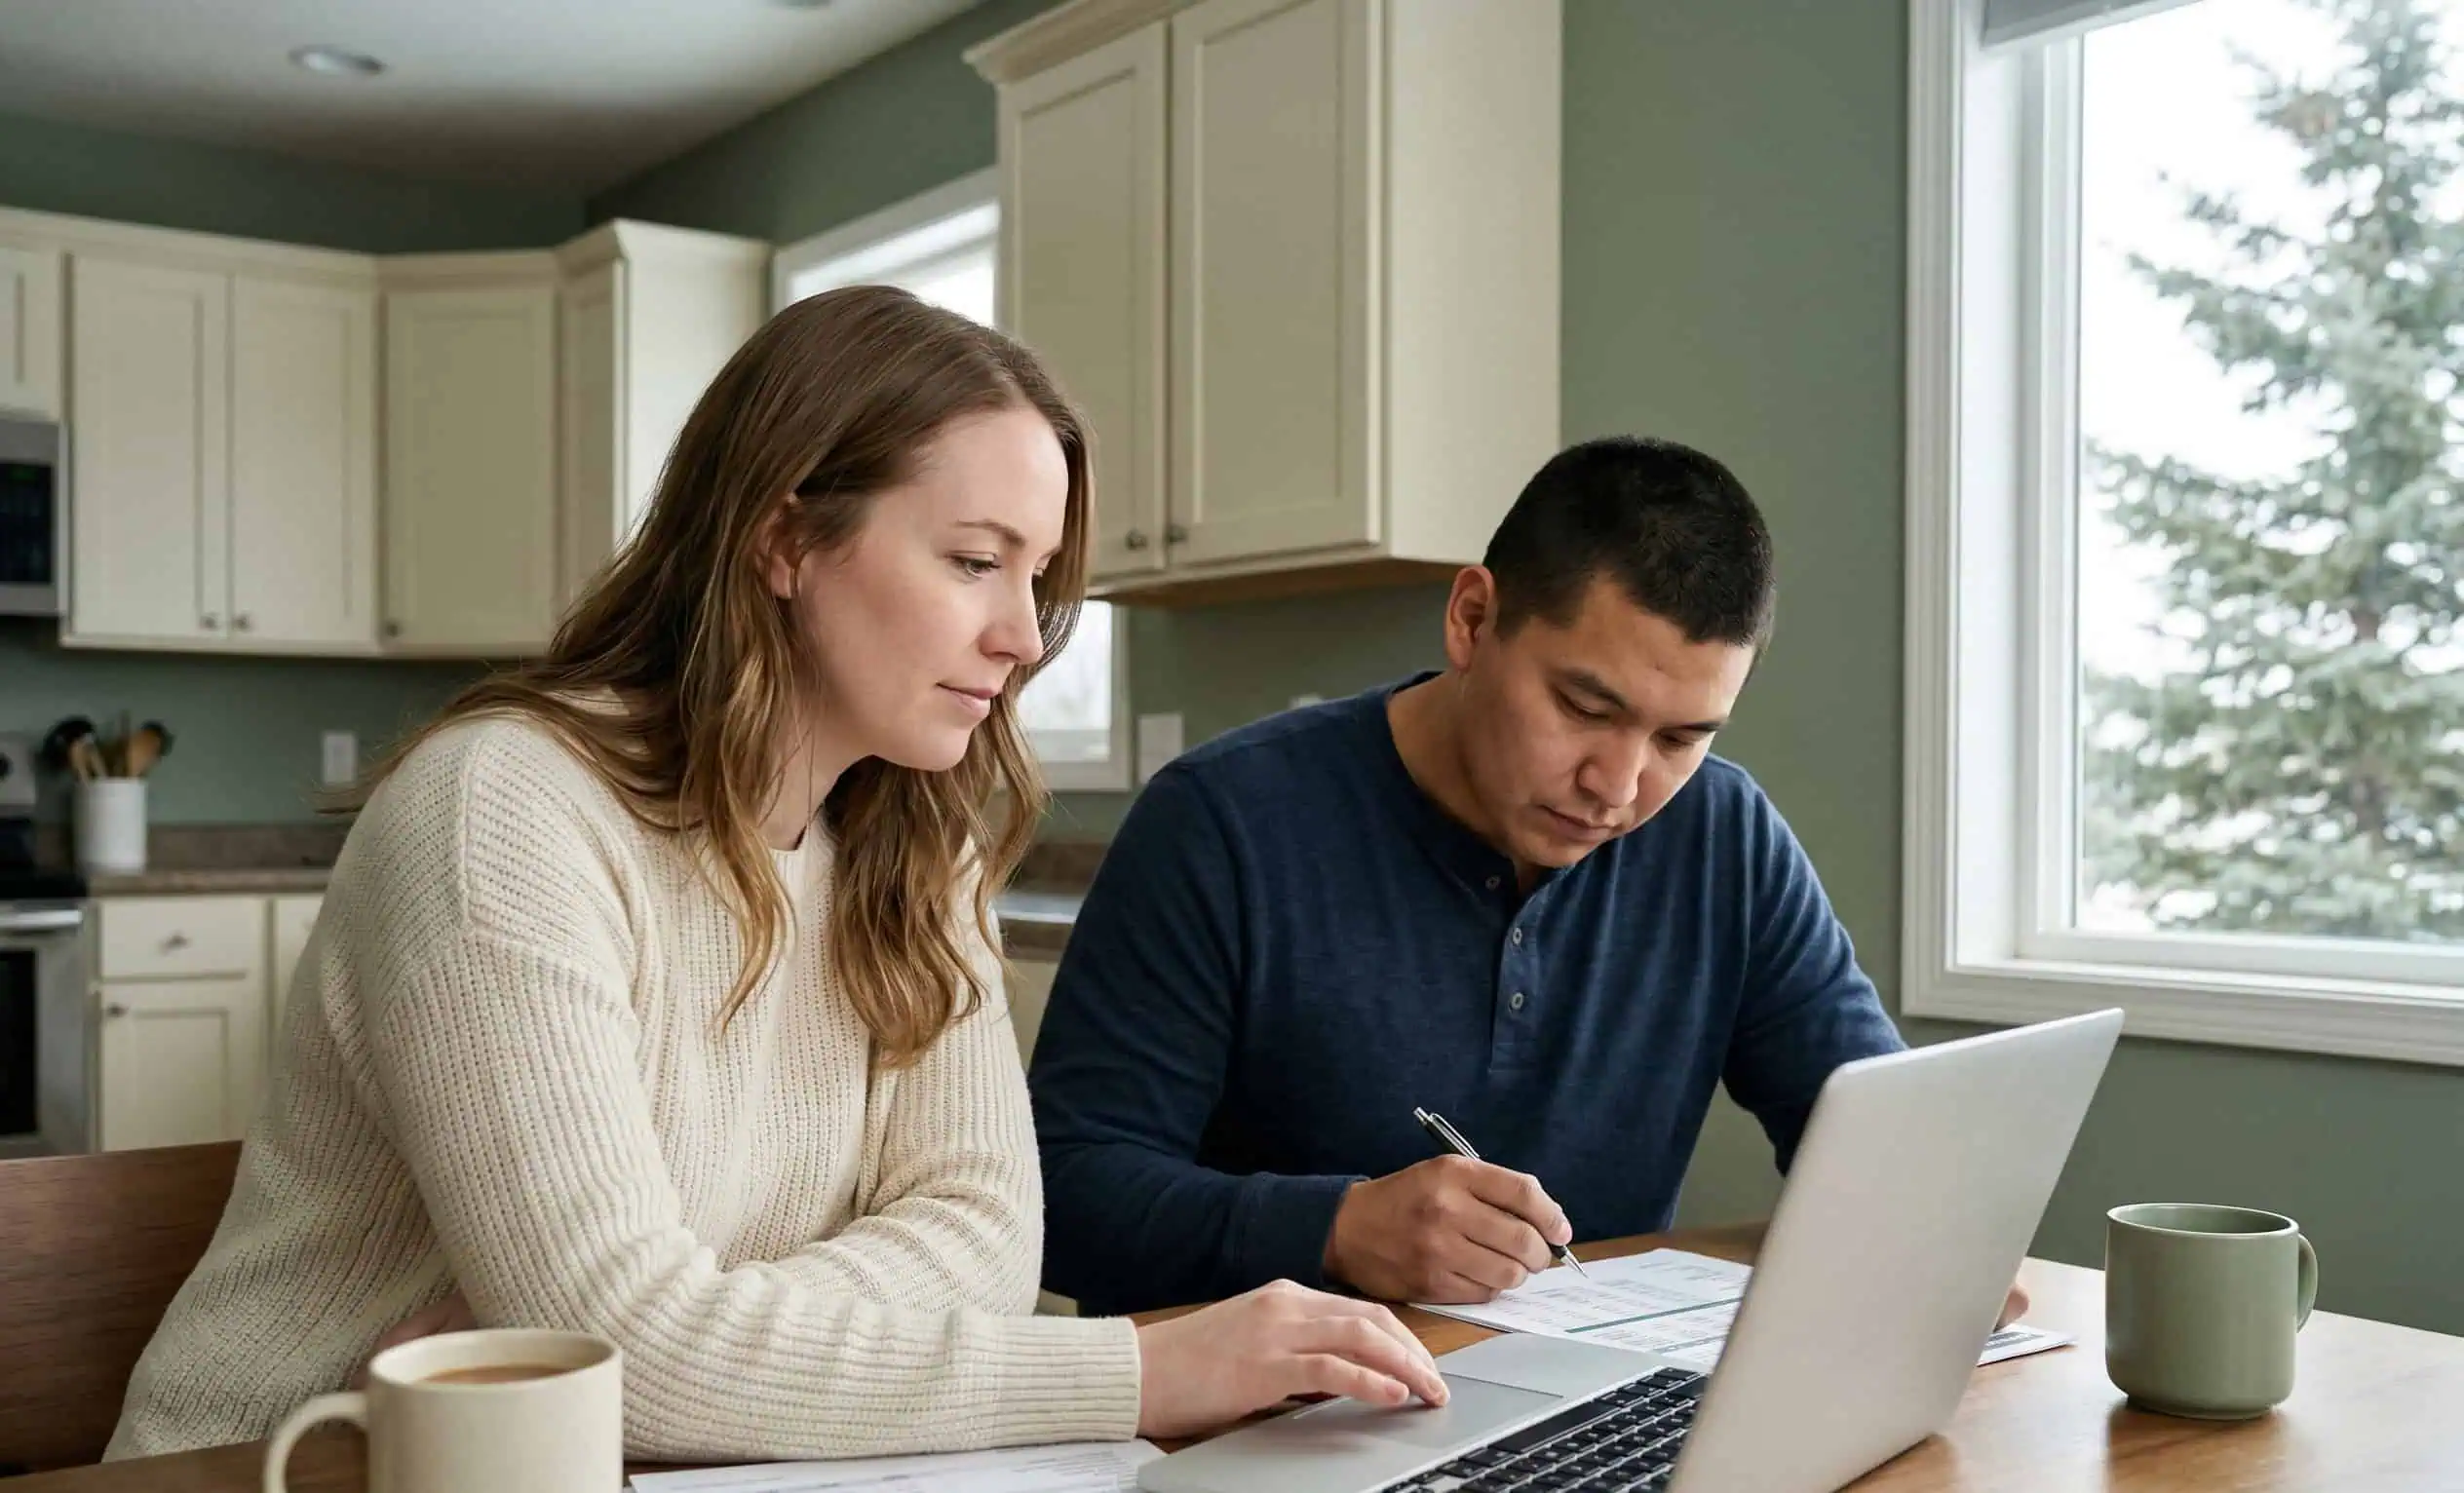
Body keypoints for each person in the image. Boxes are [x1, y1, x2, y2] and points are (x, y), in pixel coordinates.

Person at [106, 287, 1446, 1463]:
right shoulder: (501, 813)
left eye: (1037, 579)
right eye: (975, 561)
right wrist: (1144, 1373)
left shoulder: (913, 852)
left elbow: (988, 1245)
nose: (1020, 636)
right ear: (784, 540)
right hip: (290, 1469)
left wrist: (694, 1330)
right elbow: (626, 1356)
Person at [1032, 437, 2021, 1324]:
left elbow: (1861, 1128)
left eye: (1680, 736)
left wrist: (1935, 1231)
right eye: (1584, 706)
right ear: (1471, 619)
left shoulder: (1722, 833)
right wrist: (1332, 1226)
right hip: (1255, 1422)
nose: (1619, 785)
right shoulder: (1221, 820)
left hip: (1576, 1406)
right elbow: (1060, 1197)